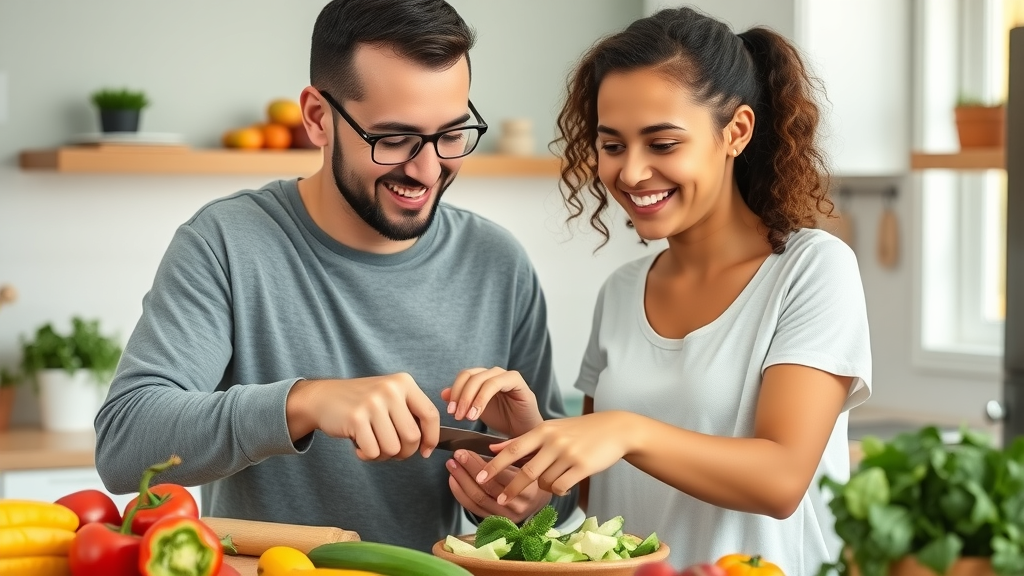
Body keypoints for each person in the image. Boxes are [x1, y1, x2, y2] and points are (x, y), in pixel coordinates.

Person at [94, 0, 575, 553]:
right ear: (319, 119)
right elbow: (125, 444)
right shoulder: (226, 241)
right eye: (393, 139)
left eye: (451, 134)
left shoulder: (498, 262)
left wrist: (530, 483)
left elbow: (560, 504)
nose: (427, 170)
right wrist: (304, 402)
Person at [449, 6, 871, 573]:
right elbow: (606, 505)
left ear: (736, 132)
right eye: (613, 145)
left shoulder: (812, 271)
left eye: (663, 144)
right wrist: (536, 467)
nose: (631, 173)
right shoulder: (622, 292)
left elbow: (781, 479)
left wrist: (621, 428)